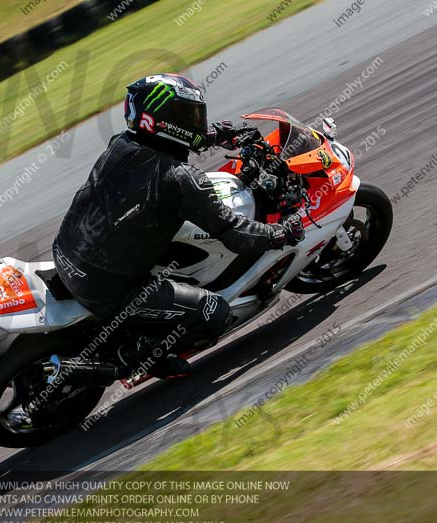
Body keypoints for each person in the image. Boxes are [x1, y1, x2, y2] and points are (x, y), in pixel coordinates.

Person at [53, 74, 304, 379]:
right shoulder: (180, 180)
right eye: (187, 116)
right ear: (165, 120)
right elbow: (235, 234)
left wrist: (216, 136)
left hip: (66, 253)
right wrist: (281, 233)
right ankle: (136, 357)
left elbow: (169, 140)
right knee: (218, 313)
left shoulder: (121, 144)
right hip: (105, 288)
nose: (196, 122)